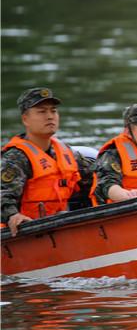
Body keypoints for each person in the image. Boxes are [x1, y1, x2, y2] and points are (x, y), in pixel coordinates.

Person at [1, 87, 95, 236]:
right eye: (42, 112)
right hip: (25, 233)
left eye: (53, 111)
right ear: (25, 119)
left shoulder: (67, 153)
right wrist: (13, 215)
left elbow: (95, 179)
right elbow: (3, 194)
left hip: (60, 225)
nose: (50, 116)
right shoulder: (16, 158)